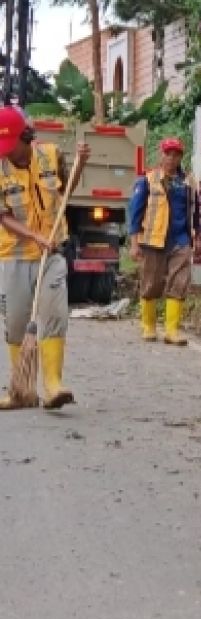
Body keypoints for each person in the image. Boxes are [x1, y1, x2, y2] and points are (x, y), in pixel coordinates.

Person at [0, 106, 89, 410]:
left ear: (25, 137)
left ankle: (52, 385)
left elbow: (65, 193)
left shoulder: (51, 155)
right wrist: (35, 237)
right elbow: (3, 216)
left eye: (9, 144)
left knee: (53, 313)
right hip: (14, 254)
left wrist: (80, 166)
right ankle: (21, 391)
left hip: (53, 251)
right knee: (15, 323)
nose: (6, 152)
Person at [128, 137, 198, 345]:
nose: (171, 158)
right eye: (168, 153)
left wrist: (198, 234)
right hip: (153, 239)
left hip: (181, 239)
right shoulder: (147, 180)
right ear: (161, 155)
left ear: (180, 158)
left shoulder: (187, 182)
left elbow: (196, 210)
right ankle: (148, 326)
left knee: (180, 282)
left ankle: (171, 330)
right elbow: (136, 213)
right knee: (151, 283)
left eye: (176, 154)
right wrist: (134, 243)